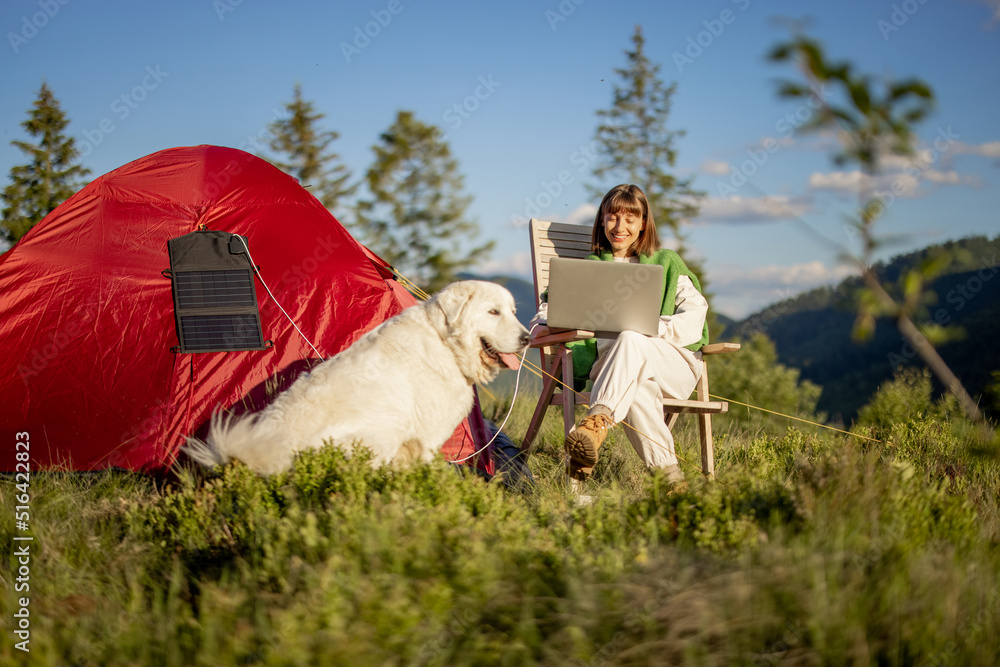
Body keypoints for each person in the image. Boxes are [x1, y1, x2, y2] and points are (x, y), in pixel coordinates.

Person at [529, 184, 709, 489]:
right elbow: (541, 318)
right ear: (601, 220)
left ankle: (595, 422)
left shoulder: (666, 262)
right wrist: (555, 324)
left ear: (643, 223)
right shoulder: (588, 270)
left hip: (672, 364)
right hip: (613, 371)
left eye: (630, 219)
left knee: (630, 337)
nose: (620, 227)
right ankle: (673, 485)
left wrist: (652, 331)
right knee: (636, 388)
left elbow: (695, 314)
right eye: (612, 217)